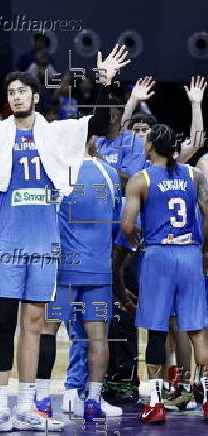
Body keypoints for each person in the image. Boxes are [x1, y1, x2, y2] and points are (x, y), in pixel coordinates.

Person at [0, 42, 131, 432]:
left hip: (45, 247)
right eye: (11, 93)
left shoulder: (56, 134)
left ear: (35, 96)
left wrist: (105, 82)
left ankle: (31, 405)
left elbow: (101, 125)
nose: (16, 96)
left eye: (22, 91)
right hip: (7, 247)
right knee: (4, 325)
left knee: (36, 326)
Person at [122, 124, 208, 423]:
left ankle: (156, 403)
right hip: (190, 254)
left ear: (149, 147)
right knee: (197, 330)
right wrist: (204, 251)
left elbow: (127, 226)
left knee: (156, 330)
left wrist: (137, 240)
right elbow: (207, 216)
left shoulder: (140, 179)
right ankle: (206, 397)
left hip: (158, 255)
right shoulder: (194, 175)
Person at [36, 136, 123, 421]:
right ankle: (93, 402)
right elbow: (117, 224)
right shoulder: (109, 174)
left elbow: (45, 217)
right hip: (99, 269)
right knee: (98, 337)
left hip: (63, 270)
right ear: (92, 141)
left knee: (47, 332)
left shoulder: (57, 171)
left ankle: (42, 399)